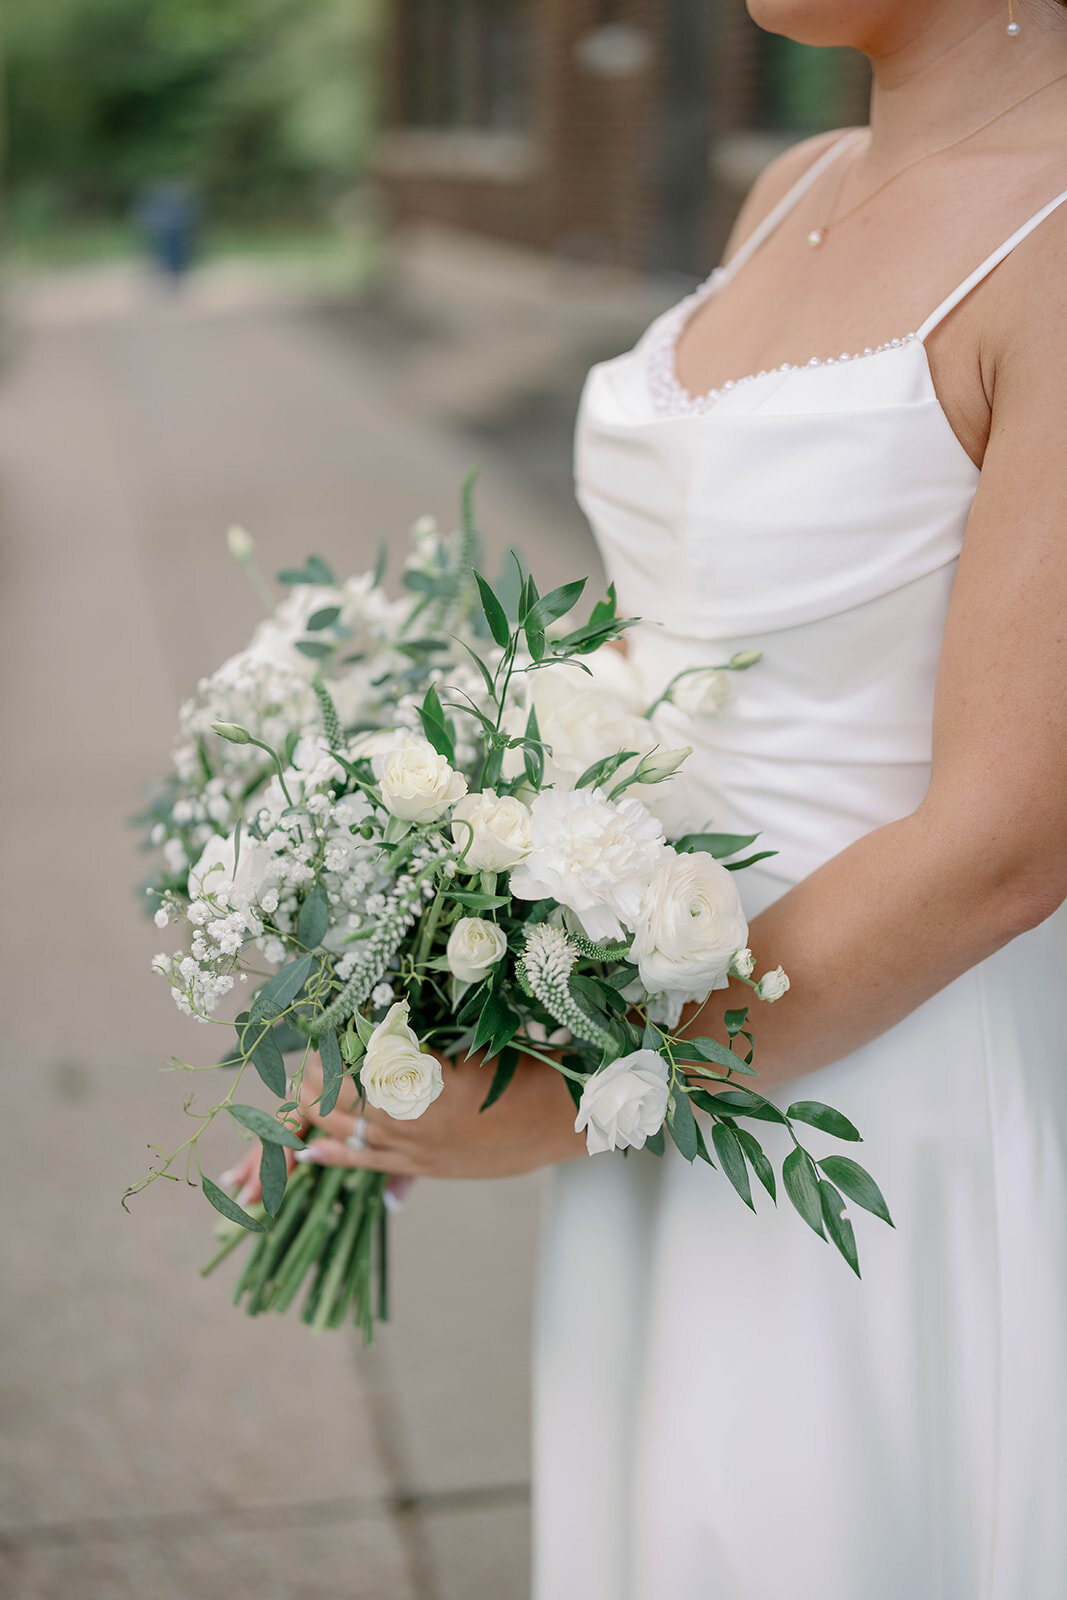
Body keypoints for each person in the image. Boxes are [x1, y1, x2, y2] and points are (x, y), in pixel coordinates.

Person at [243, 2, 1067, 1593]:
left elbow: (1008, 844)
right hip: (667, 1047)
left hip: (887, 1088)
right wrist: (430, 978)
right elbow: (663, 651)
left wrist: (566, 1107)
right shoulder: (798, 180)